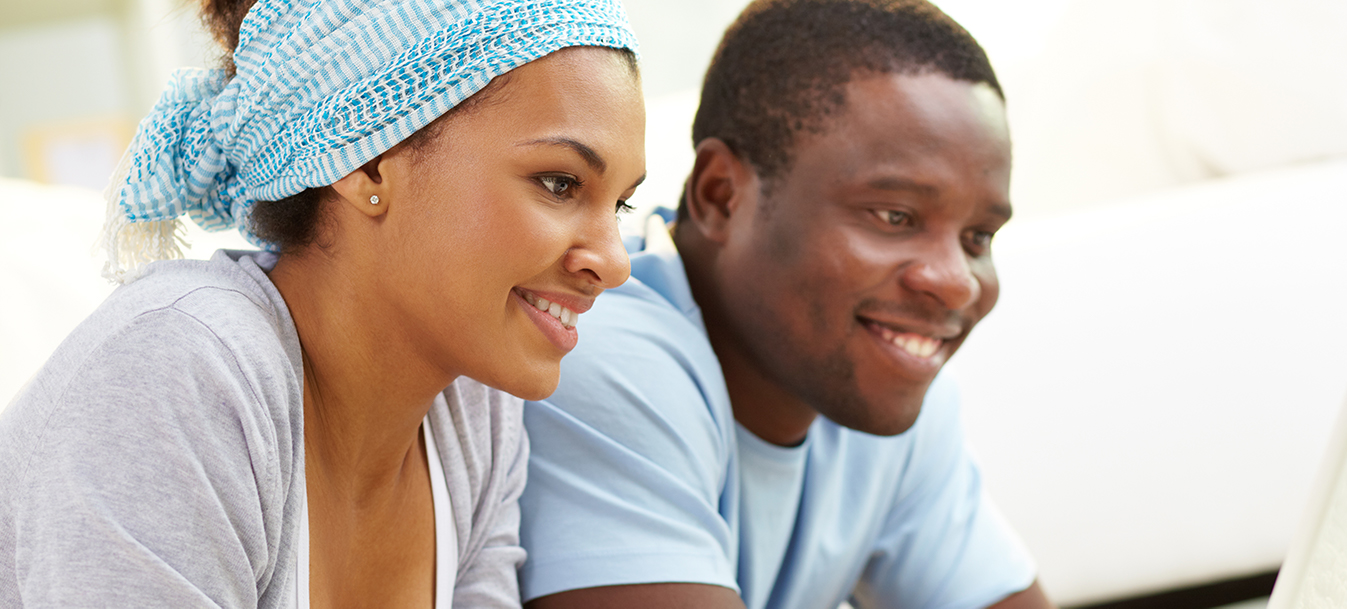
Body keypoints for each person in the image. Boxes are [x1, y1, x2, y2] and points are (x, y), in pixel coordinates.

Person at [0, 0, 644, 607]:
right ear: (365, 162)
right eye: (560, 183)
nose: (614, 262)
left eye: (619, 204)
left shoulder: (476, 416)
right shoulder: (176, 376)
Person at [518, 0, 1057, 608]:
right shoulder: (601, 352)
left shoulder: (883, 389)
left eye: (977, 238)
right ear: (722, 195)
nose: (957, 282)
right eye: (894, 216)